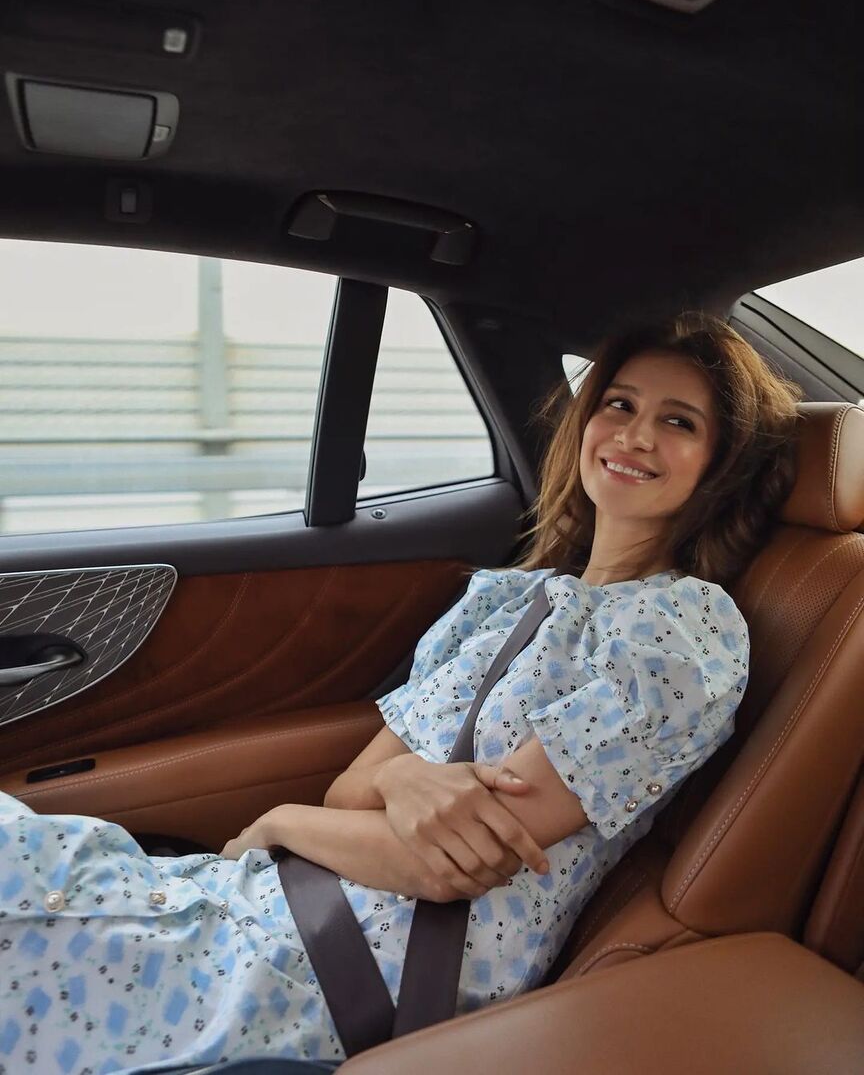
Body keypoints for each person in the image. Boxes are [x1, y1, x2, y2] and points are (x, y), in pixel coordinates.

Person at [0, 313, 801, 1074]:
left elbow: (454, 865)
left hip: (337, 964)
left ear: (722, 467)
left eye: (677, 422)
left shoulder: (681, 631)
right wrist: (404, 778)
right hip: (266, 900)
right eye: (619, 405)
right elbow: (352, 791)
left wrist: (277, 823)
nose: (634, 435)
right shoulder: (506, 601)